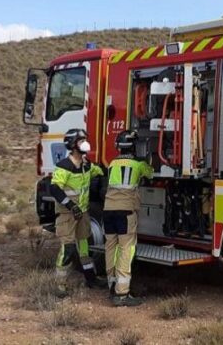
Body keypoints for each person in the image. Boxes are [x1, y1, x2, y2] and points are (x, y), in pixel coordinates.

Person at [49, 128, 106, 296]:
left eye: (85, 140)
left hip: (83, 213)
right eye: (81, 141)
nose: (85, 144)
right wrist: (70, 206)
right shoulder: (64, 167)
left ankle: (91, 279)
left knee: (84, 247)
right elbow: (54, 188)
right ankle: (60, 285)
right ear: (73, 145)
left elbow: (101, 171)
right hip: (68, 214)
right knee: (68, 249)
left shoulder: (87, 166)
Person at [104, 130, 154, 307]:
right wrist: (149, 156)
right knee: (126, 249)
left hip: (108, 210)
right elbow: (150, 173)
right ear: (133, 146)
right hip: (125, 212)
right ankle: (122, 293)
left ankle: (111, 284)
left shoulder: (111, 164)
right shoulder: (137, 165)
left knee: (111, 247)